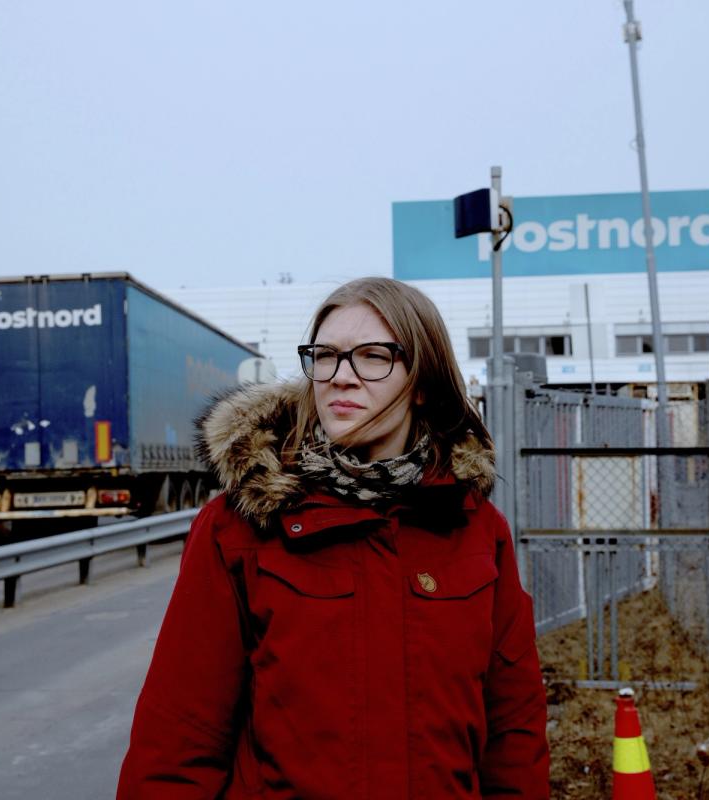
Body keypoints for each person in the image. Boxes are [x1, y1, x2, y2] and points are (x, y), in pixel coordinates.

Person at [117, 277, 549, 799]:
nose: (341, 377)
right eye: (325, 357)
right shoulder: (240, 528)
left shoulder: (474, 527)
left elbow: (515, 732)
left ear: (423, 383)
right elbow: (177, 741)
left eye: (373, 357)